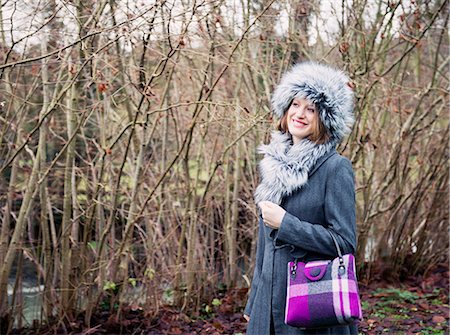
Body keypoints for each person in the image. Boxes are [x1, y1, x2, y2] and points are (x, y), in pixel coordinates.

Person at [243, 61, 358, 335]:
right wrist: (253, 306)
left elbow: (344, 242)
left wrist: (287, 224)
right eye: (295, 104)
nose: (301, 114)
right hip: (268, 309)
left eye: (312, 109)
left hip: (312, 307)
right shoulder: (274, 167)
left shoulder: (335, 168)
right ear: (285, 108)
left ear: (325, 119)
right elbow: (264, 250)